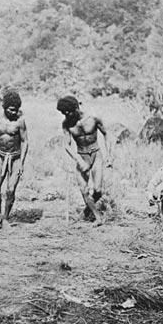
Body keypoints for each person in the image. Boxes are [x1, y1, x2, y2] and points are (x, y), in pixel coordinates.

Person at [57, 96, 112, 226]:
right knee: (84, 189)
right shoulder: (67, 123)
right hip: (81, 155)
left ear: (76, 108)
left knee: (97, 190)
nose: (66, 115)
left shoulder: (93, 118)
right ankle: (97, 217)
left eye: (68, 112)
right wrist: (78, 160)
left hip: (96, 154)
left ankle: (87, 210)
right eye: (63, 113)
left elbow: (106, 134)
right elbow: (66, 145)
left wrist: (108, 155)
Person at [0, 91, 29, 229]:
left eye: (16, 110)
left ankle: (6, 217)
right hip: (0, 156)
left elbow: (25, 141)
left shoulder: (20, 122)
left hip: (15, 158)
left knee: (10, 190)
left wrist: (22, 162)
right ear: (4, 107)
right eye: (11, 109)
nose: (13, 112)